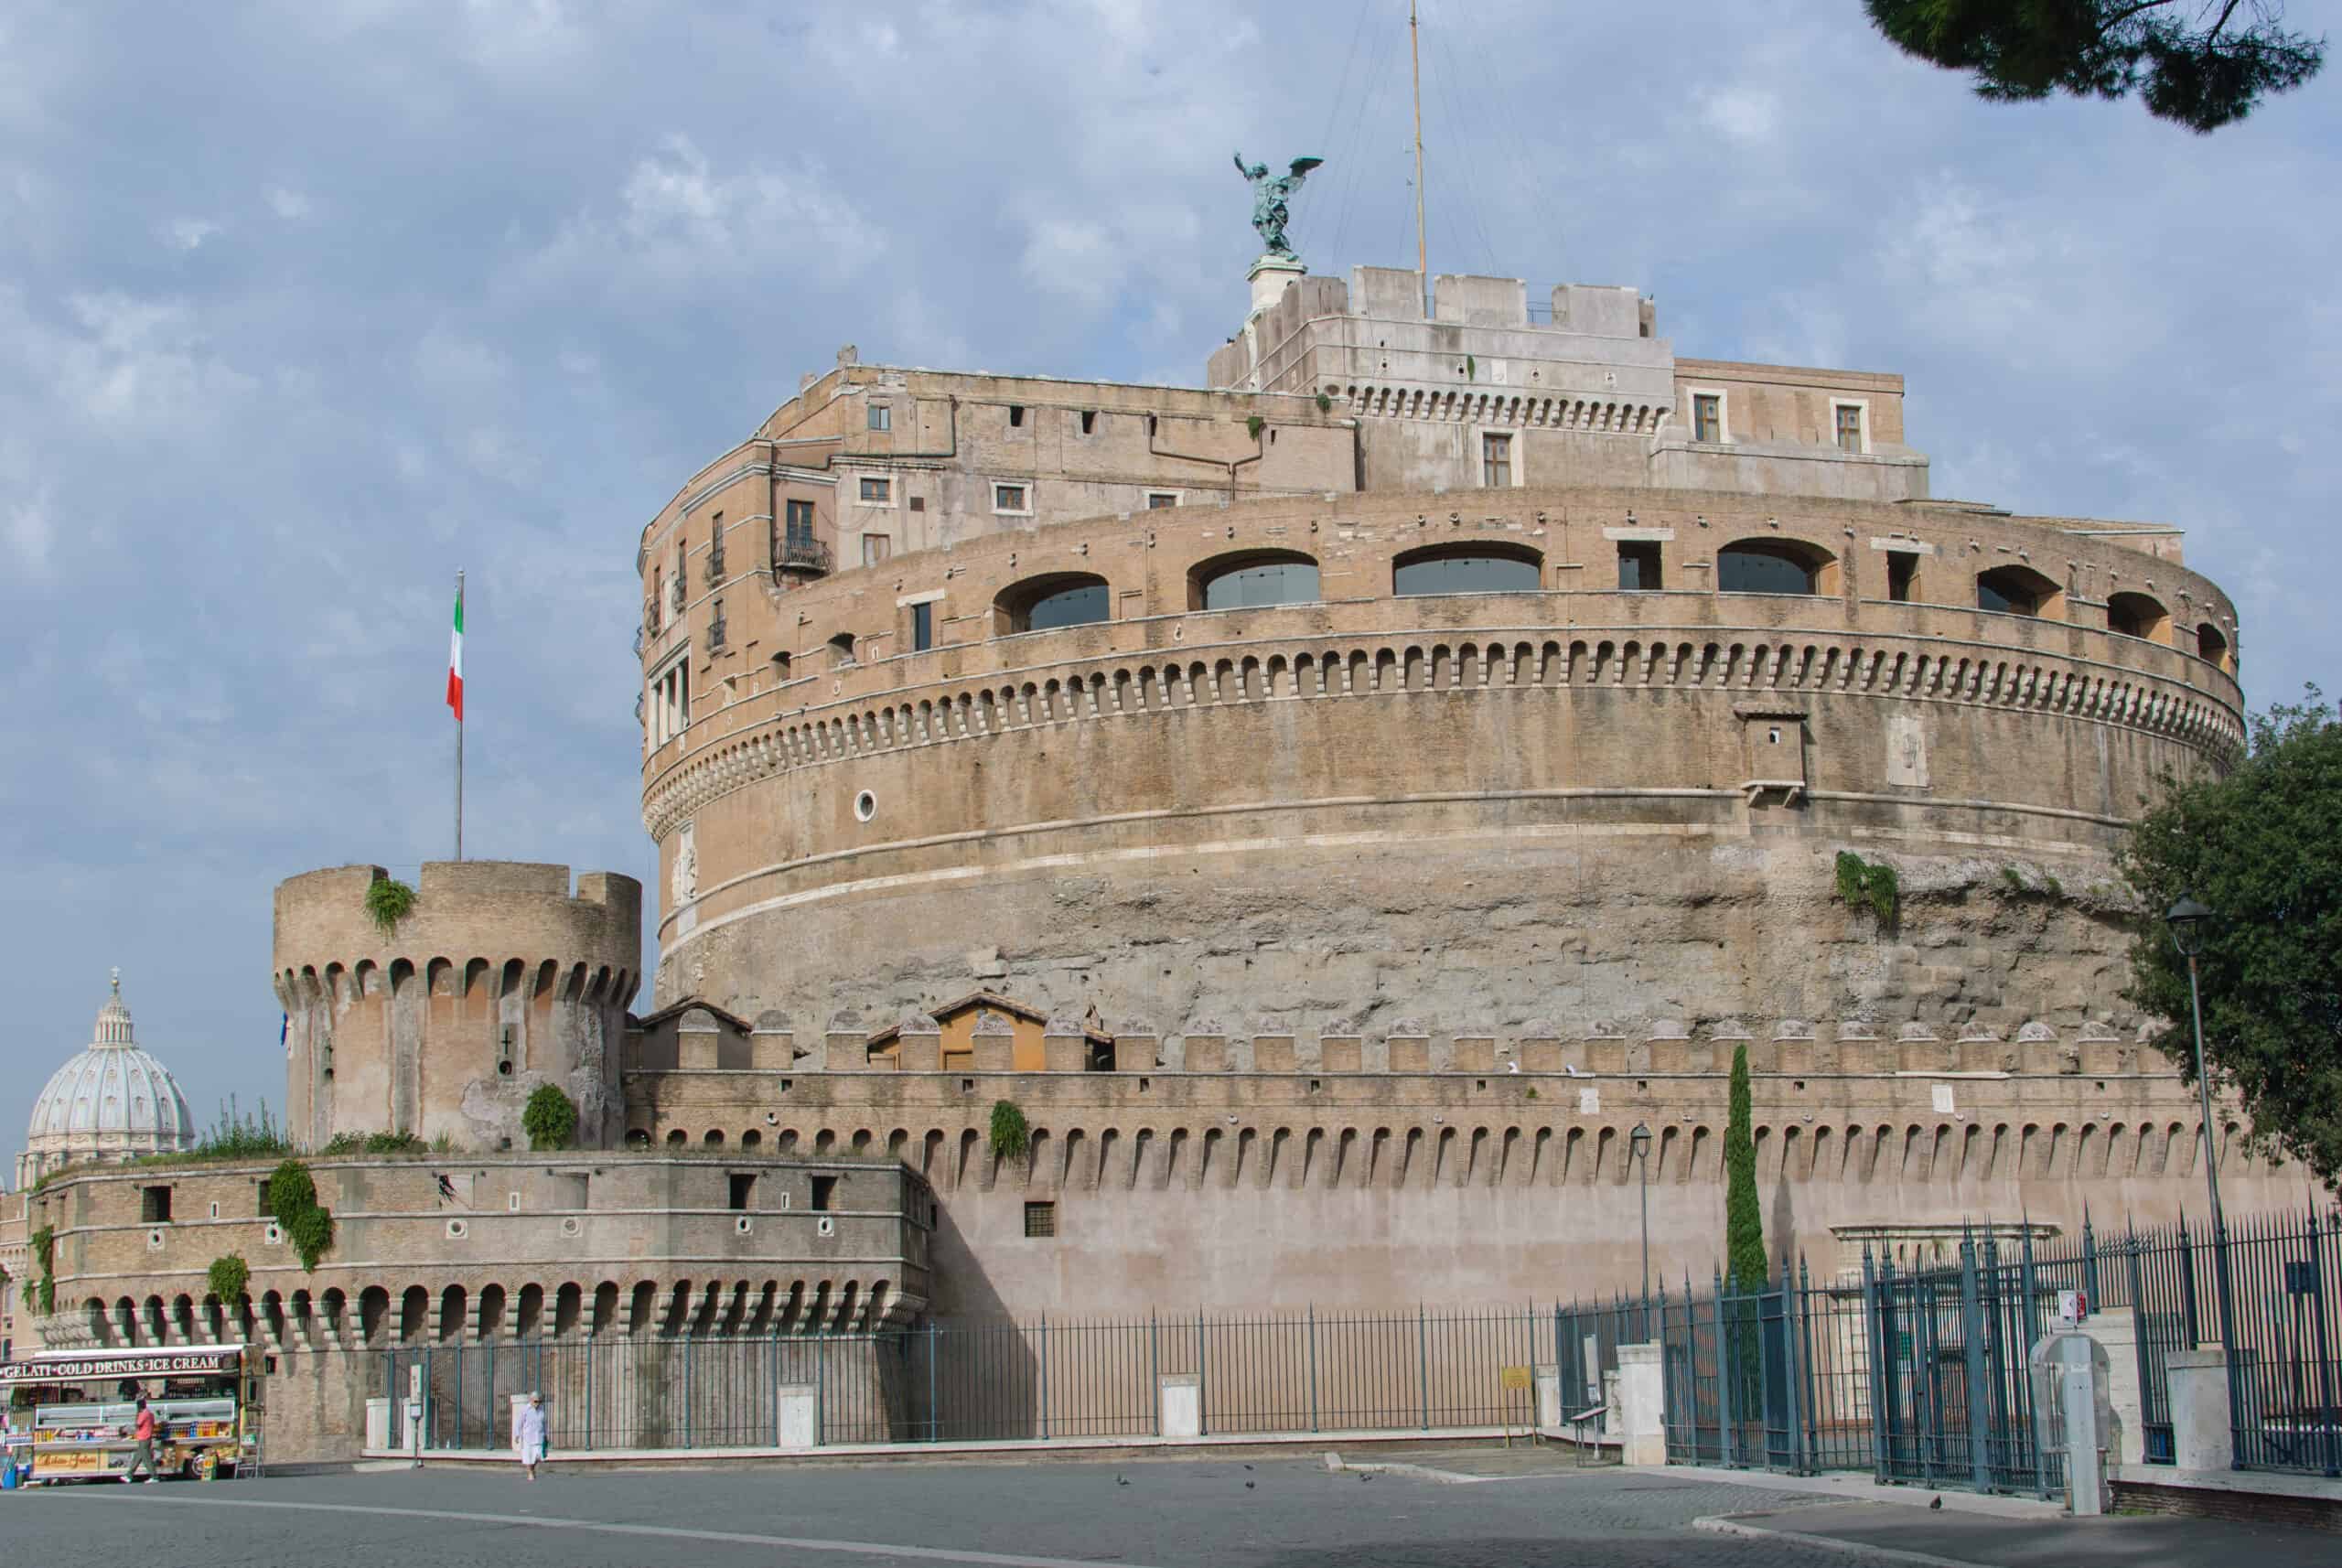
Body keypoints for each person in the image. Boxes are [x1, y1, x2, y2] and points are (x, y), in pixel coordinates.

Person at [121, 1396, 158, 1484]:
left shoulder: (143, 1414)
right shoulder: (150, 1413)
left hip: (143, 1438)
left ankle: (154, 1476)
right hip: (147, 1437)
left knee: (146, 1458)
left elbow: (137, 1424)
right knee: (137, 1458)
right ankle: (129, 1475)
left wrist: (137, 1413)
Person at [512, 1391, 546, 1480]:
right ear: (531, 1400)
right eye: (536, 1401)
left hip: (539, 1436)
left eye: (539, 1401)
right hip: (528, 1437)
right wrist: (517, 1435)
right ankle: (530, 1473)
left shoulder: (542, 1409)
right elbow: (519, 1423)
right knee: (527, 1457)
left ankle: (532, 1469)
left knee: (539, 1456)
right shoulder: (525, 1409)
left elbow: (544, 1423)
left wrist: (546, 1435)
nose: (538, 1403)